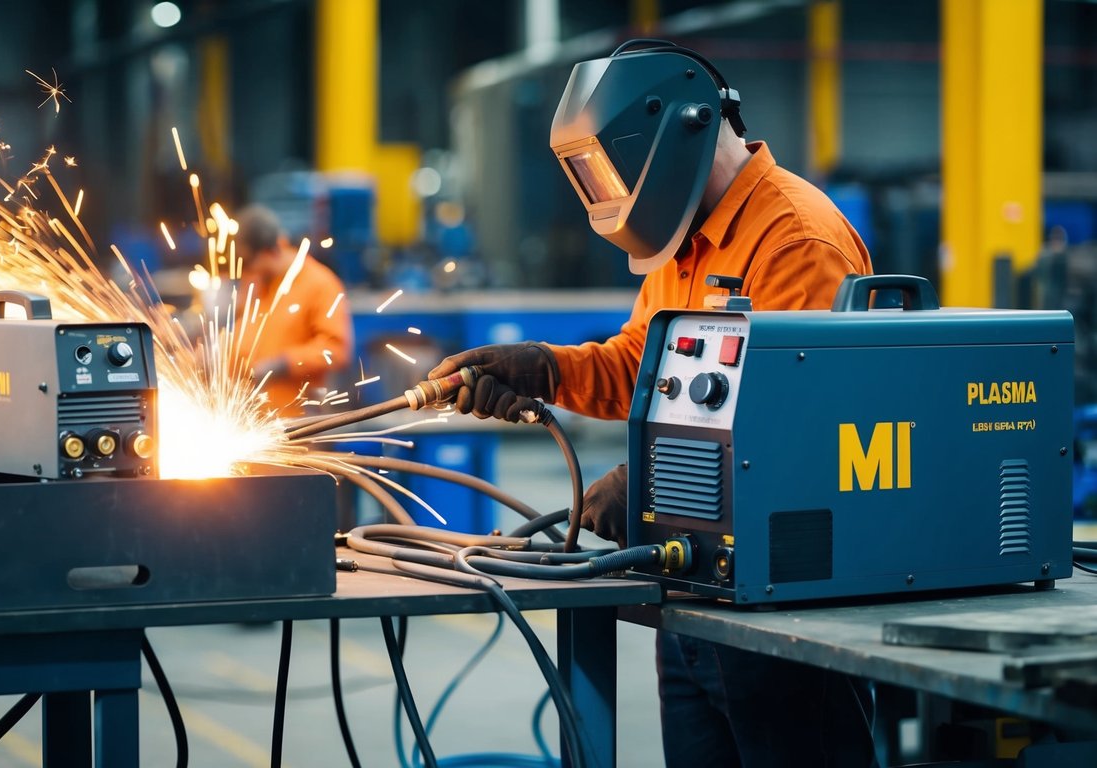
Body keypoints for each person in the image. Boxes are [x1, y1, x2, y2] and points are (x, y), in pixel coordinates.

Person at [429, 40, 877, 767]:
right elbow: (644, 366)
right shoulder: (686, 240)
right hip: (694, 588)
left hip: (785, 603)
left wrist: (650, 485)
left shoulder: (794, 240)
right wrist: (543, 370)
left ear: (679, 131)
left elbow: (799, 433)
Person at [234, 204, 353, 418]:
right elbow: (243, 333)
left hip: (299, 421)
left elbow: (336, 350)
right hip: (253, 418)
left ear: (271, 251)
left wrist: (283, 364)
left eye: (252, 264)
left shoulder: (321, 285)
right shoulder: (256, 282)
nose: (250, 273)